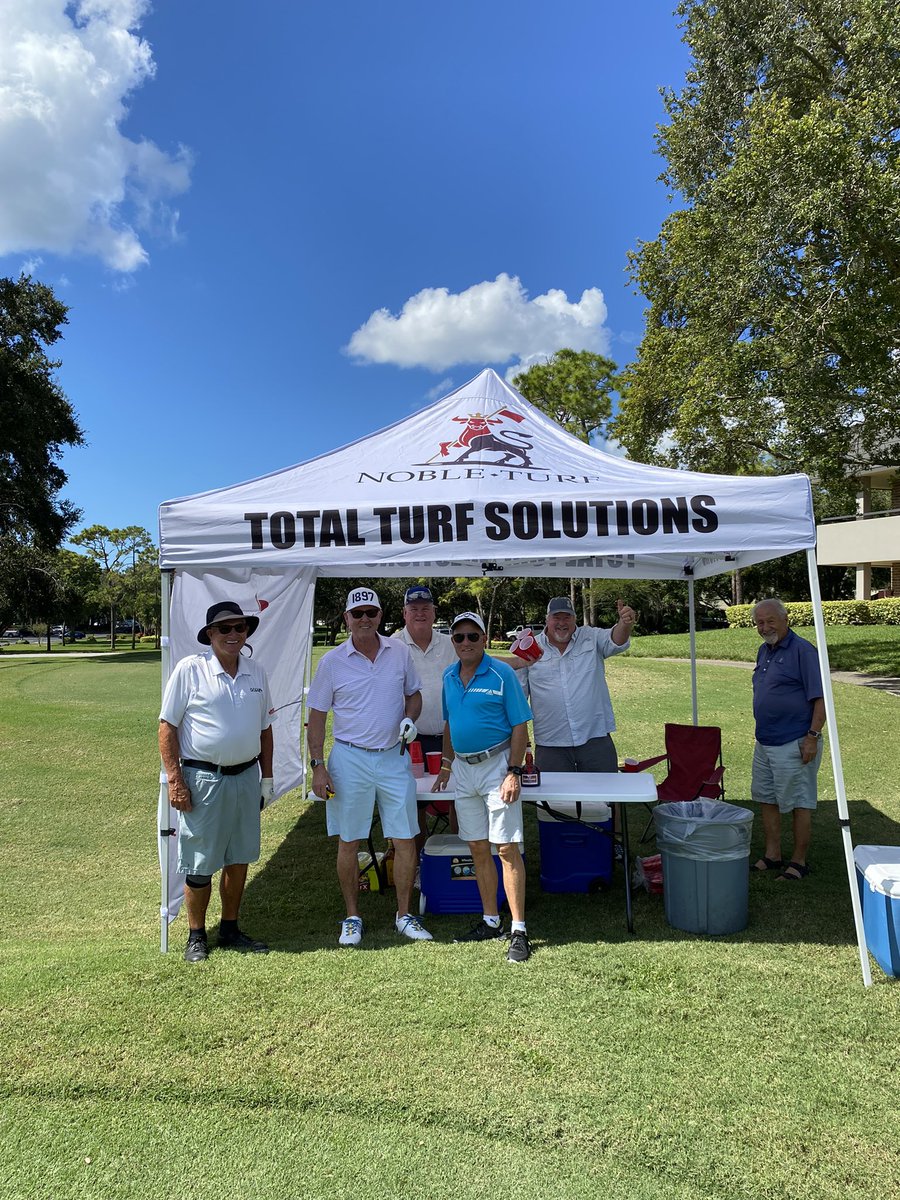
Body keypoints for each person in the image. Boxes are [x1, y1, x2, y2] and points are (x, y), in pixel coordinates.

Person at [306, 586, 433, 946]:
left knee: (405, 837)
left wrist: (409, 718)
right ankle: (352, 917)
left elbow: (414, 694)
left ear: (380, 616)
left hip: (393, 756)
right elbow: (316, 718)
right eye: (357, 614)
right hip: (349, 759)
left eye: (371, 613)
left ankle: (404, 915)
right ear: (346, 618)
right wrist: (317, 765)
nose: (365, 619)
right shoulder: (331, 661)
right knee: (349, 840)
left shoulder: (399, 652)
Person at [159, 601, 275, 963]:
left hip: (246, 777)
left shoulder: (256, 672)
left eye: (240, 628)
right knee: (200, 863)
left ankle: (230, 928)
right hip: (203, 779)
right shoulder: (190, 670)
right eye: (224, 629)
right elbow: (167, 727)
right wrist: (175, 780)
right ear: (210, 634)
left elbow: (265, 730)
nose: (233, 634)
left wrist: (268, 778)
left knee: (239, 858)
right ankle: (196, 936)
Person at [432, 611, 533, 963]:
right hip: (463, 769)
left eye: (472, 636)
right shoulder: (448, 676)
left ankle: (518, 929)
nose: (466, 642)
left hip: (497, 767)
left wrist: (513, 771)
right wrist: (446, 764)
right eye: (459, 637)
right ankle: (491, 920)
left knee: (505, 848)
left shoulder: (502, 673)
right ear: (453, 642)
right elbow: (450, 724)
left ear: (484, 639)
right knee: (477, 846)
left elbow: (520, 725)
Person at [514, 595, 635, 772]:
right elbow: (518, 698)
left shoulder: (591, 637)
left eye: (567, 617)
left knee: (603, 788)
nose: (562, 623)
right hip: (550, 742)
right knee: (554, 791)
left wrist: (625, 624)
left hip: (595, 737)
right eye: (556, 617)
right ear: (547, 619)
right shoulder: (530, 648)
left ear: (575, 619)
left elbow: (616, 640)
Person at [750, 598, 825, 882]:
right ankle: (773, 855)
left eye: (770, 621)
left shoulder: (803, 651)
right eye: (760, 622)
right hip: (765, 741)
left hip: (795, 741)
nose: (765, 627)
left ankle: (799, 862)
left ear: (785, 620)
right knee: (766, 799)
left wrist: (812, 737)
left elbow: (821, 698)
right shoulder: (764, 650)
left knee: (798, 802)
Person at [391, 583, 459, 846]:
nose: (420, 613)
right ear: (404, 613)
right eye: (414, 609)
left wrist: (519, 662)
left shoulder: (450, 643)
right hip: (411, 739)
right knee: (413, 801)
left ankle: (458, 854)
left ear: (433, 612)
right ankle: (418, 860)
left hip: (451, 736)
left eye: (425, 608)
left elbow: (482, 661)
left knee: (458, 797)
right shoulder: (392, 645)